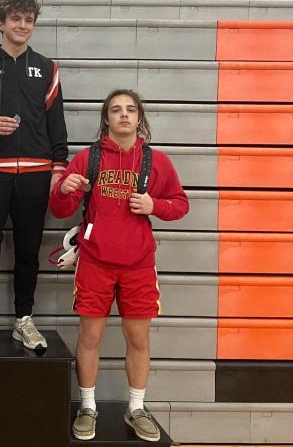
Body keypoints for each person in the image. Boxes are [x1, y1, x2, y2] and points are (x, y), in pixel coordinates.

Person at [49, 90, 189, 442]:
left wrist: (154, 205)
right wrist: (65, 188)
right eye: (115, 110)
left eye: (130, 110)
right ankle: (87, 406)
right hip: (95, 262)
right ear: (106, 119)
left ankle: (136, 408)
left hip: (139, 264)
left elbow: (180, 204)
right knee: (91, 336)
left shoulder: (156, 162)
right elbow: (60, 210)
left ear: (139, 118)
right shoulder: (87, 159)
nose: (123, 115)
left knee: (138, 338)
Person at [0, 0, 68, 350]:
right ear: (0, 23)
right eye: (15, 19)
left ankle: (24, 319)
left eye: (28, 20)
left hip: (36, 174)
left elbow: (56, 125)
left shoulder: (47, 67)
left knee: (28, 251)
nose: (22, 26)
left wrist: (59, 168)